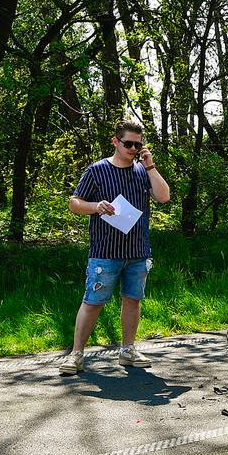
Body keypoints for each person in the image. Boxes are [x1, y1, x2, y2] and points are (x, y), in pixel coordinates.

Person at [58, 120, 171, 375]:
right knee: (93, 302)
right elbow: (74, 203)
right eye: (128, 143)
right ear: (115, 142)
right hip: (105, 251)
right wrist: (96, 206)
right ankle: (76, 355)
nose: (133, 148)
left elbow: (164, 196)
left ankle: (128, 351)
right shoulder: (97, 170)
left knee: (133, 300)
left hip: (138, 251)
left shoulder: (143, 171)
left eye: (137, 144)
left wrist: (150, 165)